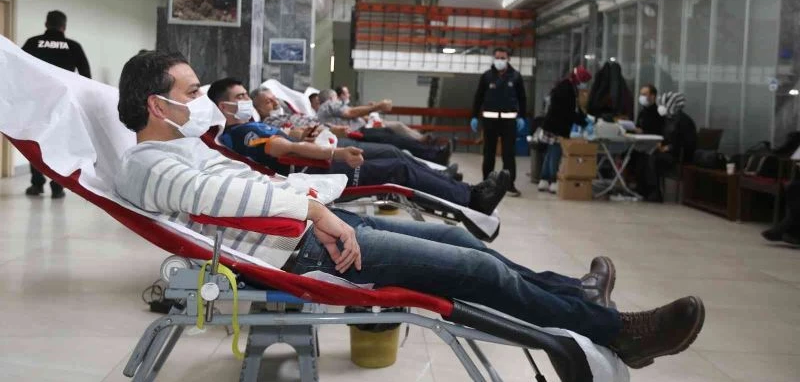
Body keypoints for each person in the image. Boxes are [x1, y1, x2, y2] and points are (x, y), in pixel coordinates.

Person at [113, 50, 705, 369]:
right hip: (298, 251)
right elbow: (229, 197)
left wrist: (319, 203)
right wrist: (317, 212)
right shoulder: (146, 165)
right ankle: (619, 332)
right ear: (156, 105)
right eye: (192, 92)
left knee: (465, 244)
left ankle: (576, 294)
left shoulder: (182, 149)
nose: (203, 101)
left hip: (304, 229)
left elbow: (247, 185)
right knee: (477, 271)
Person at [210, 79, 501, 213]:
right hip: (315, 173)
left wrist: (306, 137)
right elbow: (281, 149)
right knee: (397, 169)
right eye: (241, 97)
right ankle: (471, 199)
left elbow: (286, 141)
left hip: (315, 162)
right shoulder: (243, 132)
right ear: (224, 106)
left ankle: (465, 191)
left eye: (247, 95)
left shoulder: (249, 126)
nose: (247, 101)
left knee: (396, 158)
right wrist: (335, 152)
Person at [21, 10, 91, 198]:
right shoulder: (73, 47)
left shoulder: (32, 43)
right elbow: (86, 76)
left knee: (35, 143)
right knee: (60, 146)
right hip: (62, 105)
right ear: (64, 26)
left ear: (46, 24)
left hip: (37, 104)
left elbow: (19, 69)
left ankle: (37, 184)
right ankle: (57, 186)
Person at [316, 89, 450, 165]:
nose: (339, 101)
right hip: (358, 133)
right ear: (331, 97)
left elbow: (352, 114)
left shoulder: (325, 111)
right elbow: (350, 113)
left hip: (359, 132)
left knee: (395, 138)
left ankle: (431, 153)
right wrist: (378, 106)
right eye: (336, 98)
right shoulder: (329, 104)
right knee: (395, 140)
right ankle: (433, 154)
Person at [471, 47, 527, 198]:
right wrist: (474, 116)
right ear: (493, 58)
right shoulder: (487, 76)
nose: (500, 61)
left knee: (509, 154)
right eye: (497, 58)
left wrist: (522, 116)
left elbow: (522, 98)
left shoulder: (515, 76)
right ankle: (487, 183)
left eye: (503, 58)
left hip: (509, 121)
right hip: (490, 121)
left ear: (508, 59)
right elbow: (478, 97)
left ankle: (509, 185)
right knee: (488, 153)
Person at [537, 66, 593, 194]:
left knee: (550, 153)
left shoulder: (568, 85)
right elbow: (569, 112)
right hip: (557, 127)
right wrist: (584, 122)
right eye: (584, 81)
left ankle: (544, 180)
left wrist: (583, 118)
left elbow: (574, 109)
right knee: (555, 154)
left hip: (552, 125)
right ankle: (553, 181)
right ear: (579, 79)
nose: (584, 85)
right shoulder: (566, 89)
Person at [636, 92, 697, 203]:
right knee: (644, 155)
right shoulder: (668, 119)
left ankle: (655, 193)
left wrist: (669, 148)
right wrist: (660, 144)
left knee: (652, 158)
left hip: (678, 156)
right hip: (667, 153)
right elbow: (665, 136)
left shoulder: (684, 121)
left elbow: (688, 143)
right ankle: (644, 190)